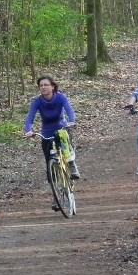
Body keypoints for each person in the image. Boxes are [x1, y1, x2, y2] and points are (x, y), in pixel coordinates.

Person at [24, 75, 81, 209]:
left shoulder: (61, 97)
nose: (43, 87)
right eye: (41, 86)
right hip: (47, 133)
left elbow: (69, 111)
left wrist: (72, 121)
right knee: (50, 166)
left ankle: (72, 165)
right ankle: (56, 196)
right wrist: (28, 131)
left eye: (46, 85)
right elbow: (30, 118)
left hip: (61, 128)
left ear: (52, 86)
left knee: (64, 139)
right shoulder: (37, 102)